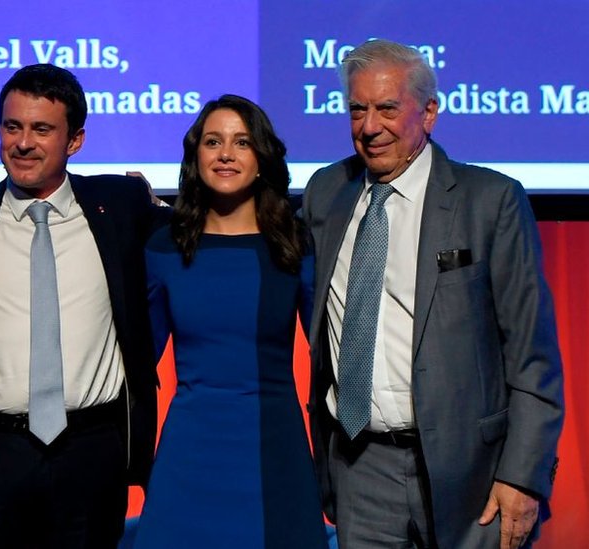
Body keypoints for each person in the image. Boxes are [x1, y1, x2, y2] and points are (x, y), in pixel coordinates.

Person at [302, 38, 564, 548]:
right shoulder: (326, 193)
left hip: (474, 477)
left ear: (428, 113)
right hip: (359, 467)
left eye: (386, 109)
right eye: (357, 110)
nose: (369, 127)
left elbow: (532, 355)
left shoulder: (490, 201)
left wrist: (523, 475)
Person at [0, 63, 164, 548]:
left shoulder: (119, 205)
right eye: (12, 127)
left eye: (41, 129)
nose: (23, 143)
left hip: (90, 454)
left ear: (75, 141)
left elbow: (205, 224)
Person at [134, 95, 327, 548]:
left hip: (274, 450)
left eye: (242, 142)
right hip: (189, 452)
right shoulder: (165, 248)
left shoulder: (293, 246)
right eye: (213, 142)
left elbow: (330, 350)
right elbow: (137, 362)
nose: (225, 154)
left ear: (261, 158)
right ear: (195, 156)